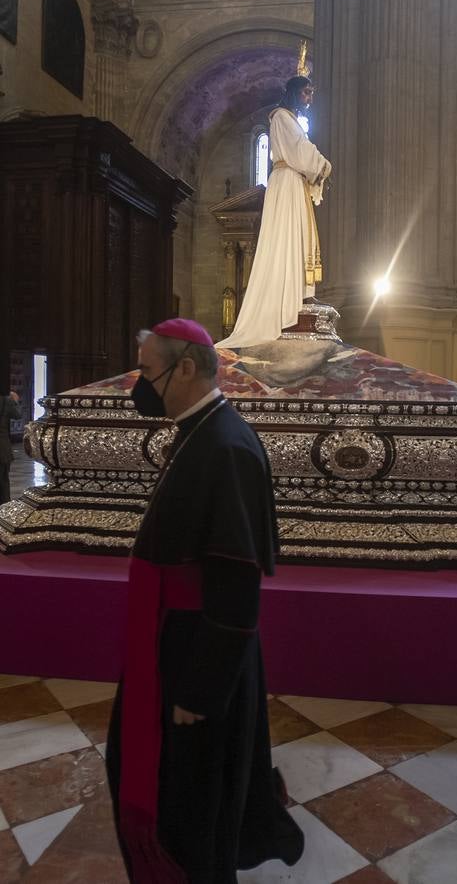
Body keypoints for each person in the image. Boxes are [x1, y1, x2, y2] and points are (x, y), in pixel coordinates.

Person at [106, 318, 303, 884]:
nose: (140, 386)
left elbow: (238, 586)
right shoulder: (202, 433)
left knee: (193, 798)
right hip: (175, 642)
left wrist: (201, 690)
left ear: (185, 367)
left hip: (197, 655)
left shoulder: (225, 445)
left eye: (147, 372)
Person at [216, 75, 331, 350]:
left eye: (311, 93)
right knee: (287, 237)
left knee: (299, 237)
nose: (309, 98)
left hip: (295, 183)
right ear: (293, 92)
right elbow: (300, 151)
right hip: (287, 182)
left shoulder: (289, 119)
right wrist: (323, 164)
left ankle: (303, 292)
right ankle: (287, 297)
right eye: (306, 92)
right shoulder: (281, 117)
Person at [0, 390, 22, 504]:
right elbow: (18, 415)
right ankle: (3, 509)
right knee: (3, 480)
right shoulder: (6, 400)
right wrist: (15, 401)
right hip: (2, 448)